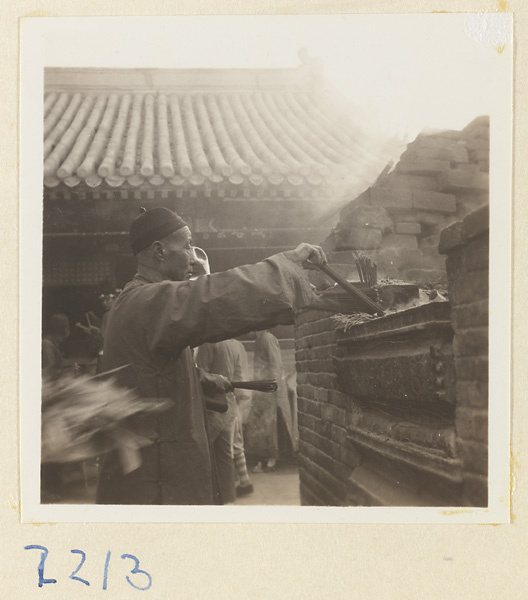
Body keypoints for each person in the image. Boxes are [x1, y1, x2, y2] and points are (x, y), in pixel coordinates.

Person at [95, 206, 326, 505]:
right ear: (159, 251)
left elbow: (149, 373)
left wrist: (202, 380)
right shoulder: (145, 300)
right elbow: (206, 298)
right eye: (187, 245)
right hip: (157, 483)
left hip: (153, 469)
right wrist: (285, 269)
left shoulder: (139, 299)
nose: (193, 256)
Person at [245, 330, 294, 472]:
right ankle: (266, 456)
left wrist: (273, 387)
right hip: (263, 387)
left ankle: (273, 459)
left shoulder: (267, 338)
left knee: (270, 423)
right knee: (262, 424)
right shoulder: (258, 339)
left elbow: (276, 365)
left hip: (271, 387)